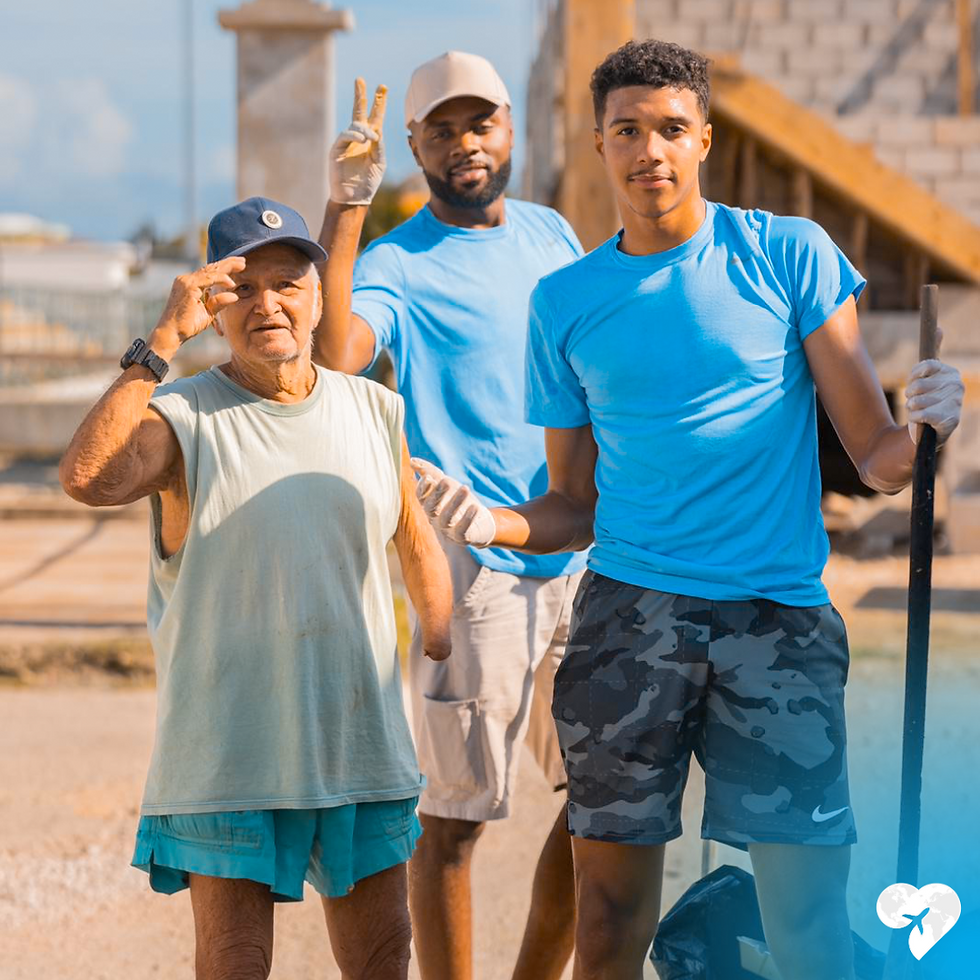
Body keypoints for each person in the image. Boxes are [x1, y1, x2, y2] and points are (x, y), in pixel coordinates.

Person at [412, 39, 965, 980]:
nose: (650, 151)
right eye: (627, 130)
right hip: (628, 622)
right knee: (612, 913)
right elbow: (571, 505)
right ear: (599, 144)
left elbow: (873, 454)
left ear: (703, 137)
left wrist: (925, 433)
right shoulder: (566, 302)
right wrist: (492, 524)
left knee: (807, 920)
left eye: (671, 128)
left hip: (778, 620)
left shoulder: (790, 255)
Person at [59, 196, 452, 980]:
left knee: (383, 957)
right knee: (236, 960)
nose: (268, 303)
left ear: (316, 297)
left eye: (288, 284)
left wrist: (444, 643)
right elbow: (87, 478)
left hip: (357, 739)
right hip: (227, 751)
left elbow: (412, 532)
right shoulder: (180, 418)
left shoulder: (374, 408)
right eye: (243, 287)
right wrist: (161, 342)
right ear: (214, 304)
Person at [315, 53, 587, 980]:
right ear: (414, 146)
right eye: (442, 129)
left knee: (608, 803)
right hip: (474, 571)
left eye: (480, 124)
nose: (465, 145)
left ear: (509, 128)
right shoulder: (396, 260)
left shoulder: (555, 236)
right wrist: (347, 208)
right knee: (457, 824)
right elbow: (335, 353)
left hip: (581, 549)